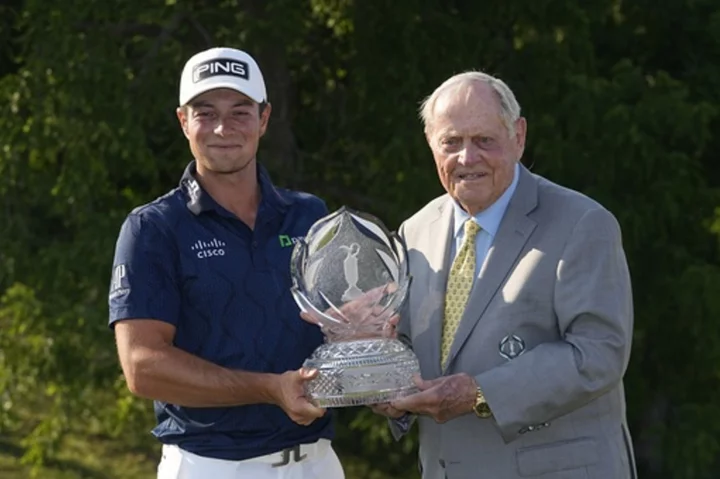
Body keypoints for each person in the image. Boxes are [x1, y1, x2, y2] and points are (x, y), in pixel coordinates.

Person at [372, 72, 637, 479]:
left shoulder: (583, 222)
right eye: (451, 142)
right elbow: (407, 345)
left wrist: (480, 393)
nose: (466, 158)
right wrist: (383, 380)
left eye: (484, 140)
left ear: (519, 136)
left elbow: (599, 353)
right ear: (430, 143)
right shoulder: (415, 231)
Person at [108, 47, 344, 479]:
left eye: (240, 112)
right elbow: (143, 367)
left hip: (317, 462)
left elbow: (339, 326)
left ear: (265, 118)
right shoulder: (153, 229)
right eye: (205, 112)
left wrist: (364, 333)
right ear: (183, 120)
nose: (223, 128)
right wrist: (270, 390)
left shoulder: (309, 215)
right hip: (211, 466)